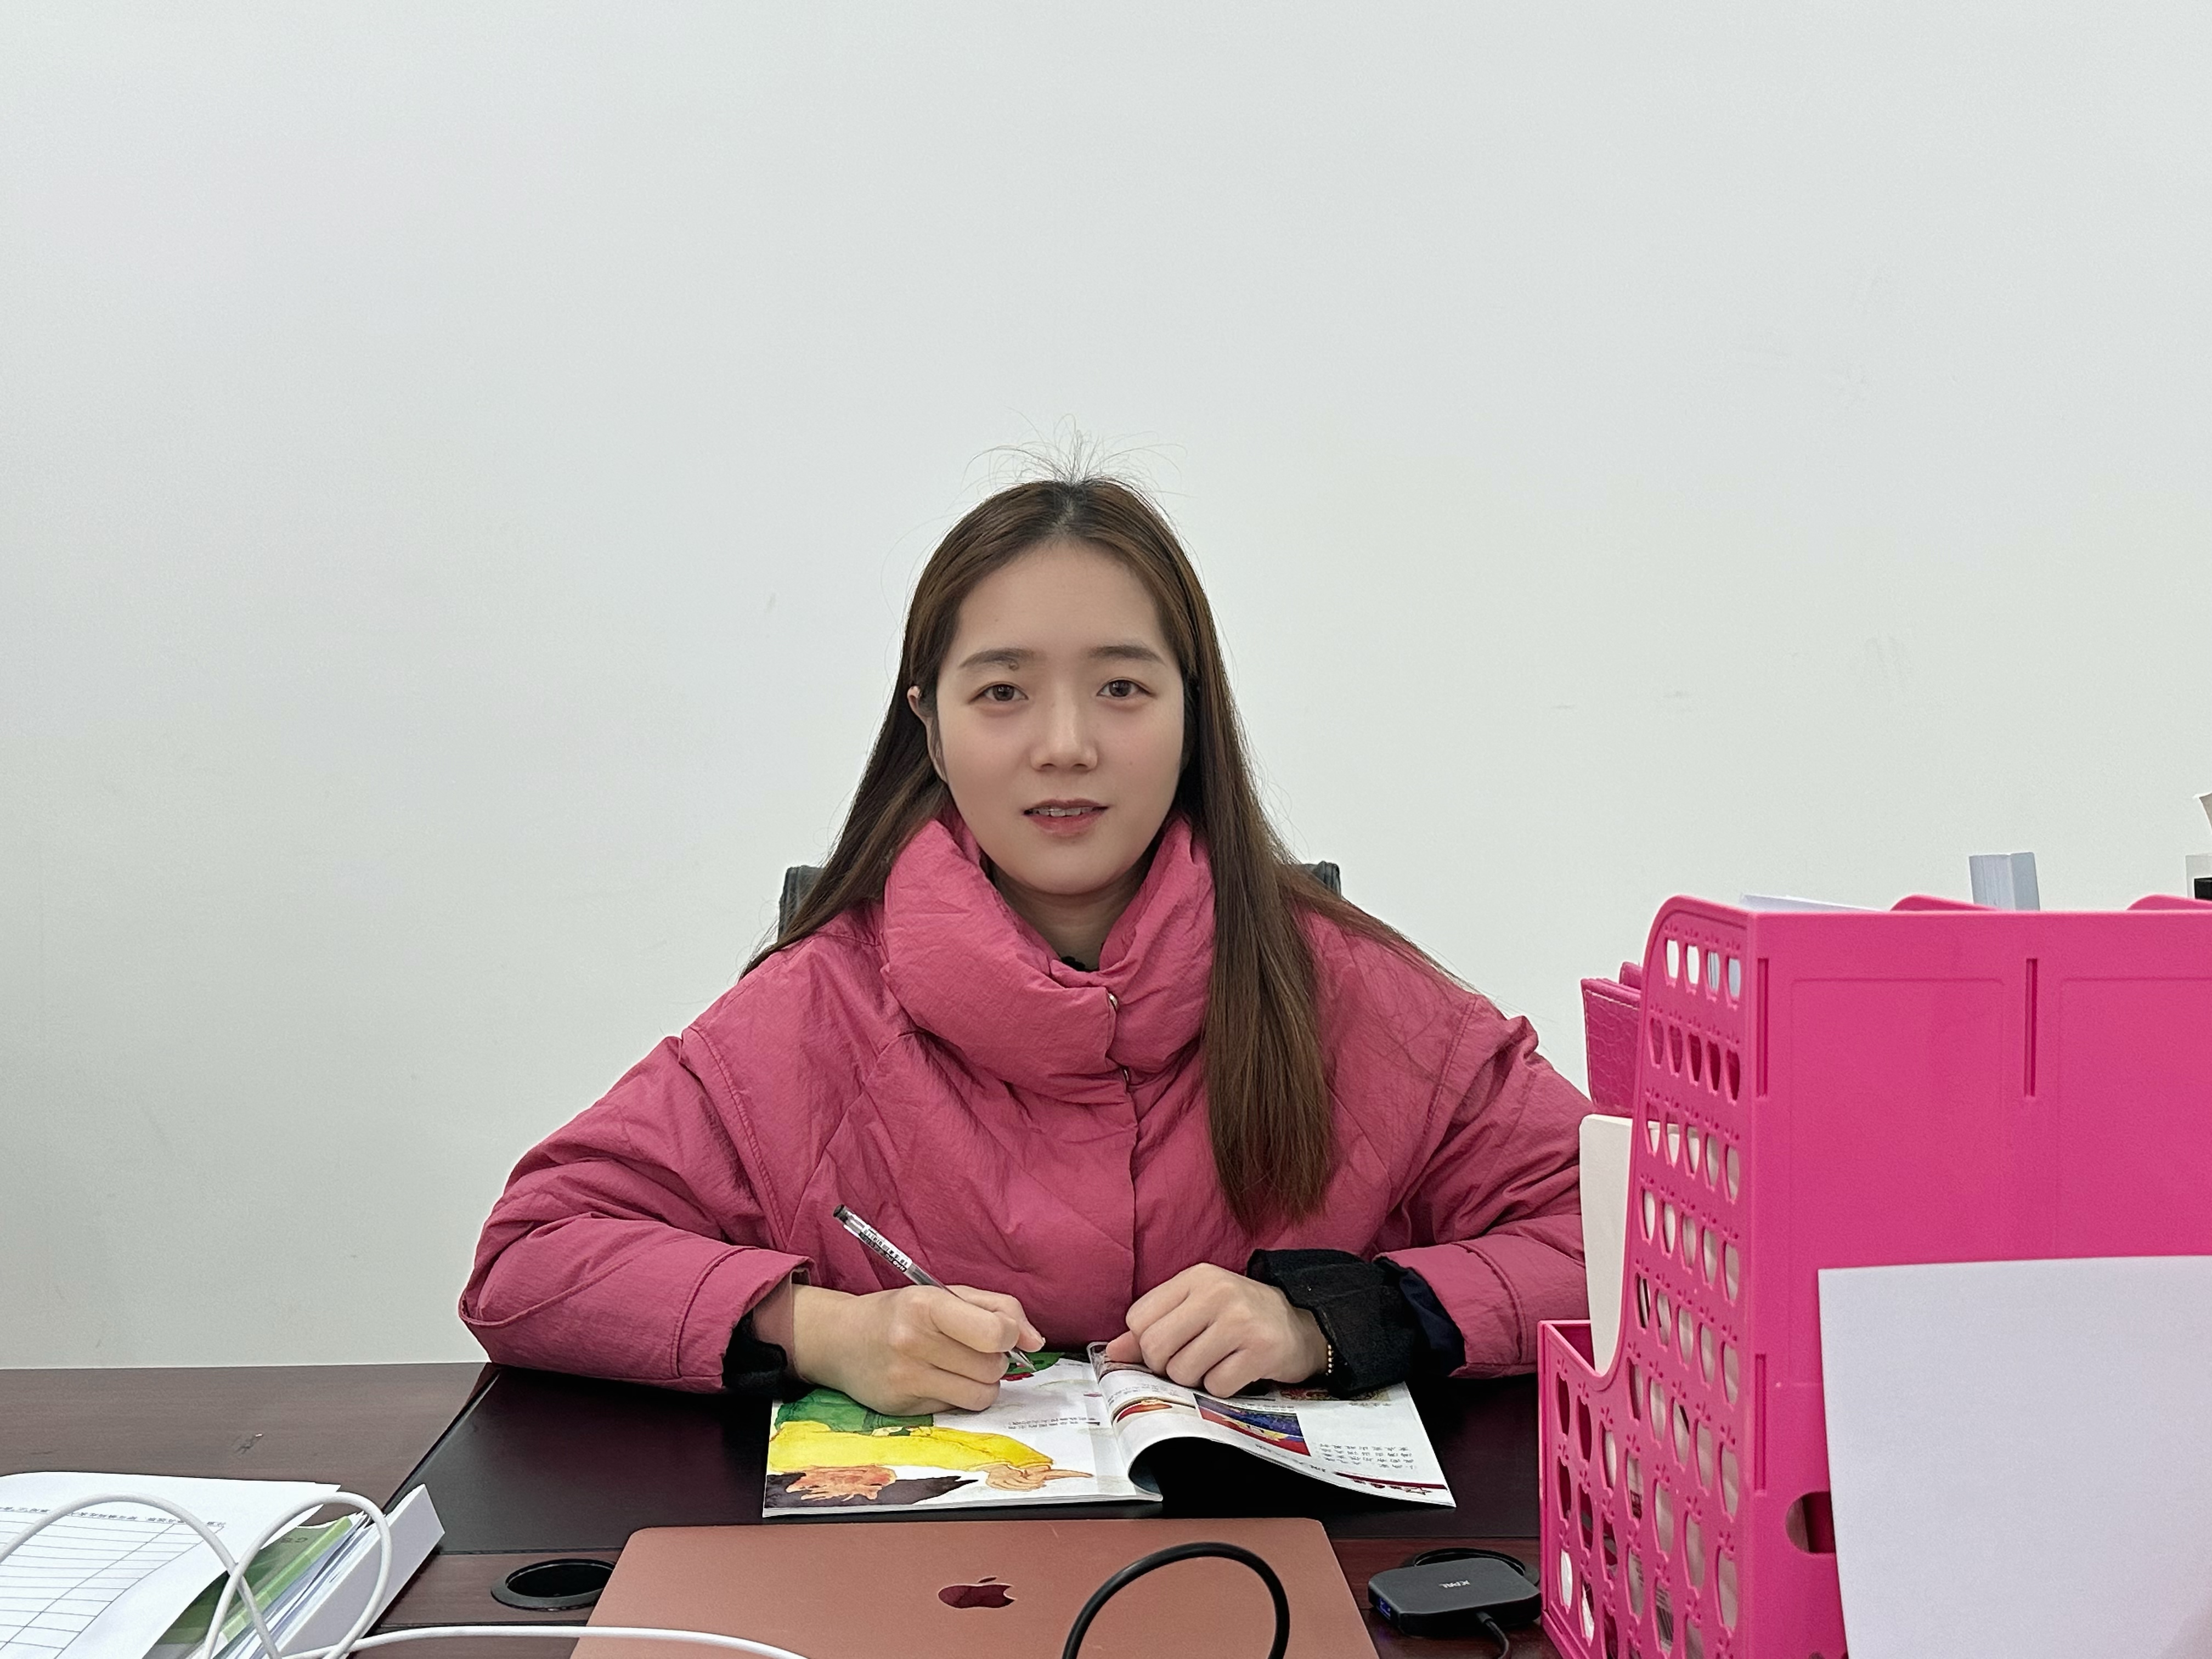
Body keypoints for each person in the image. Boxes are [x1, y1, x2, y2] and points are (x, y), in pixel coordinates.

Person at [460, 475, 1589, 1415]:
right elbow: (532, 1257)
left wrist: (1333, 1318)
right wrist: (822, 1329)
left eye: (1122, 688)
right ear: (929, 724)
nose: (1065, 744)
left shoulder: (1354, 992)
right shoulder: (811, 1007)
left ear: (1192, 715)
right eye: (1002, 691)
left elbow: (1637, 1246)